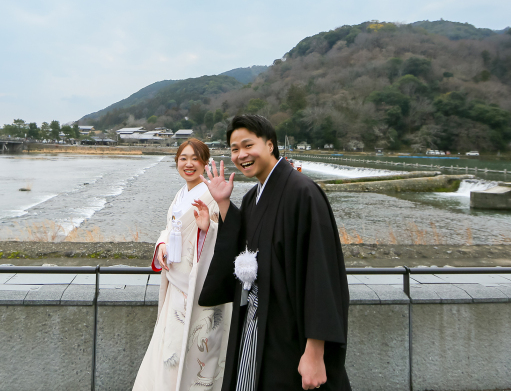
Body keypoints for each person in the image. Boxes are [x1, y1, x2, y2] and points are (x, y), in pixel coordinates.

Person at [197, 115, 350, 391]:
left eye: (248, 145)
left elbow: (321, 274)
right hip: (256, 327)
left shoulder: (303, 194)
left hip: (290, 333)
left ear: (270, 145)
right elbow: (241, 251)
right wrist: (223, 205)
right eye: (234, 149)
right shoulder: (251, 199)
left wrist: (315, 351)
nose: (241, 155)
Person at [133, 138, 232, 391]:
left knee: (191, 355)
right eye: (183, 159)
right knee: (168, 349)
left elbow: (229, 239)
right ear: (176, 162)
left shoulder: (212, 196)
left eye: (195, 159)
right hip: (176, 287)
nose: (188, 164)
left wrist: (207, 228)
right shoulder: (180, 195)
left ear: (205, 163)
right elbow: (170, 228)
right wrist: (163, 244)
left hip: (197, 290)